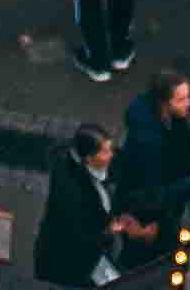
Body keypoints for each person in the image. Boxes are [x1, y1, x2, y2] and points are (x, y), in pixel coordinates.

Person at [32, 123, 119, 290]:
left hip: (85, 258)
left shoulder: (84, 169)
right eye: (105, 152)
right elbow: (80, 235)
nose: (111, 156)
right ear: (88, 158)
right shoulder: (72, 192)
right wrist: (107, 231)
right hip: (69, 265)